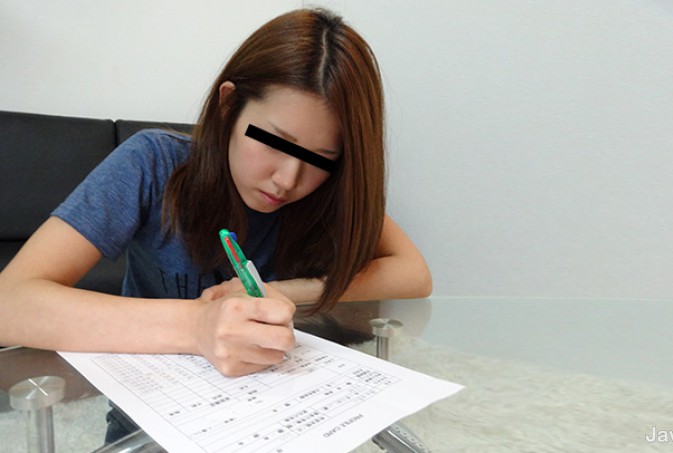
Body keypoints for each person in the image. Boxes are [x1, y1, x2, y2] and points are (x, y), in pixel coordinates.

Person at [0, 7, 431, 441]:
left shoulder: (328, 193)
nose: (288, 180)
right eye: (275, 142)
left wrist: (285, 291)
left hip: (281, 419)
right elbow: (9, 303)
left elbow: (414, 274)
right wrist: (198, 325)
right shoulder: (154, 163)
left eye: (320, 159)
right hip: (155, 421)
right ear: (228, 105)